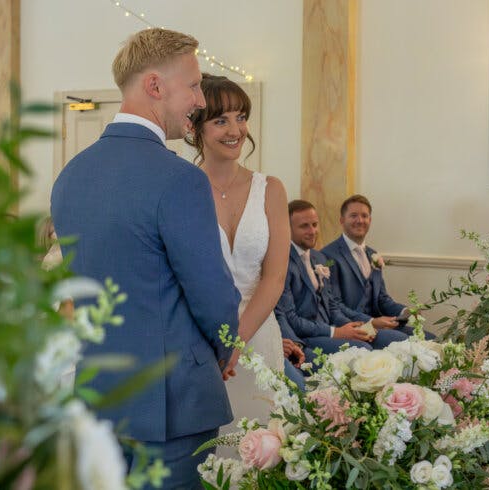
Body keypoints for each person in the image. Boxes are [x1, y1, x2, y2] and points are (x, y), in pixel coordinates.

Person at [50, 28, 241, 489]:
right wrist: (222, 347)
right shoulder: (179, 179)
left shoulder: (70, 177)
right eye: (193, 85)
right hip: (173, 402)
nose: (200, 99)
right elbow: (213, 296)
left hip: (99, 396)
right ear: (155, 86)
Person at [185, 73, 301, 419]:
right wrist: (218, 343)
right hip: (200, 336)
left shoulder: (271, 189)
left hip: (259, 334)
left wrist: (235, 344)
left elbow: (274, 278)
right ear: (196, 128)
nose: (235, 130)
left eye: (241, 117)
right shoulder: (182, 189)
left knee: (261, 437)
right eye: (221, 120)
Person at [274, 200, 408, 356]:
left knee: (400, 341)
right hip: (307, 337)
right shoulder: (282, 263)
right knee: (363, 351)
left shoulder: (319, 258)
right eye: (304, 226)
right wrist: (335, 332)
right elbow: (292, 319)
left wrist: (354, 327)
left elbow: (331, 305)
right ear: (287, 229)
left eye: (315, 225)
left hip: (333, 327)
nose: (312, 231)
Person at [321, 194, 435, 340]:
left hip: (379, 324)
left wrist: (405, 311)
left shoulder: (373, 254)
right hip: (353, 327)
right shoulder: (327, 255)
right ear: (342, 220)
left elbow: (382, 299)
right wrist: (371, 322)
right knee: (405, 342)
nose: (360, 220)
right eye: (353, 215)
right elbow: (335, 304)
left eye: (364, 216)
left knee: (431, 338)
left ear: (370, 220)